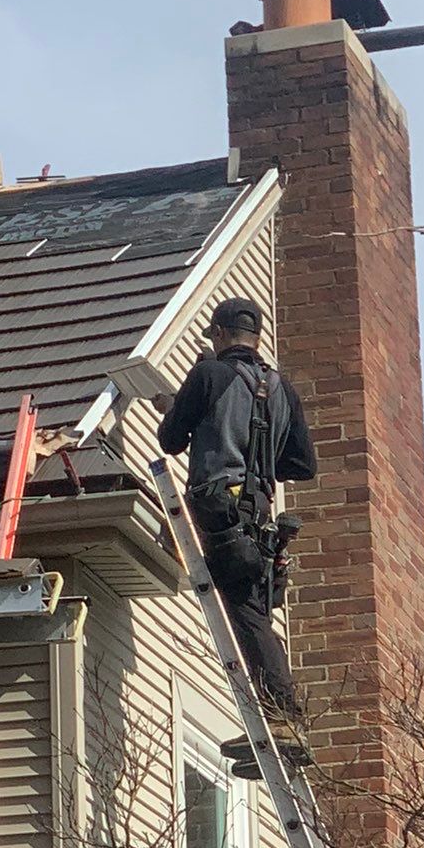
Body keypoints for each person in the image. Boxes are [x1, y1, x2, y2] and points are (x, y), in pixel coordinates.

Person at [157, 296, 317, 761]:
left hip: (217, 509)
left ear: (220, 334)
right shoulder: (280, 388)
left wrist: (178, 402)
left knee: (247, 616)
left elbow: (171, 440)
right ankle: (276, 719)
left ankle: (284, 721)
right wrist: (260, 445)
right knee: (253, 613)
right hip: (259, 518)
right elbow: (300, 464)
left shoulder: (209, 374)